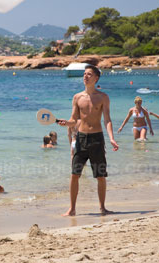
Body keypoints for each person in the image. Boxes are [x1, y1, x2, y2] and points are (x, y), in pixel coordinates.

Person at [58, 65, 119, 216]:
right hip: (81, 138)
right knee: (74, 174)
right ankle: (72, 209)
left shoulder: (103, 97)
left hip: (97, 139)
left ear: (96, 78)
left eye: (89, 74)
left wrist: (111, 138)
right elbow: (74, 120)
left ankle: (102, 207)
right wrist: (67, 123)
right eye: (84, 74)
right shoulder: (77, 97)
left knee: (100, 175)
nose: (85, 76)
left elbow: (107, 120)